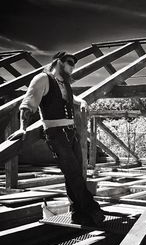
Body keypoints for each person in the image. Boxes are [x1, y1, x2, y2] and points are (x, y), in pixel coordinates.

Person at [8, 51, 105, 226]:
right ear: (58, 62)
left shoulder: (64, 83)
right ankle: (93, 210)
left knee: (73, 175)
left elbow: (69, 97)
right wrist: (23, 128)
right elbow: (27, 104)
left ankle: (77, 213)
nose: (72, 66)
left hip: (71, 133)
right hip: (55, 134)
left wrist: (81, 101)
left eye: (74, 63)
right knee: (74, 173)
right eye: (69, 62)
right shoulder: (42, 79)